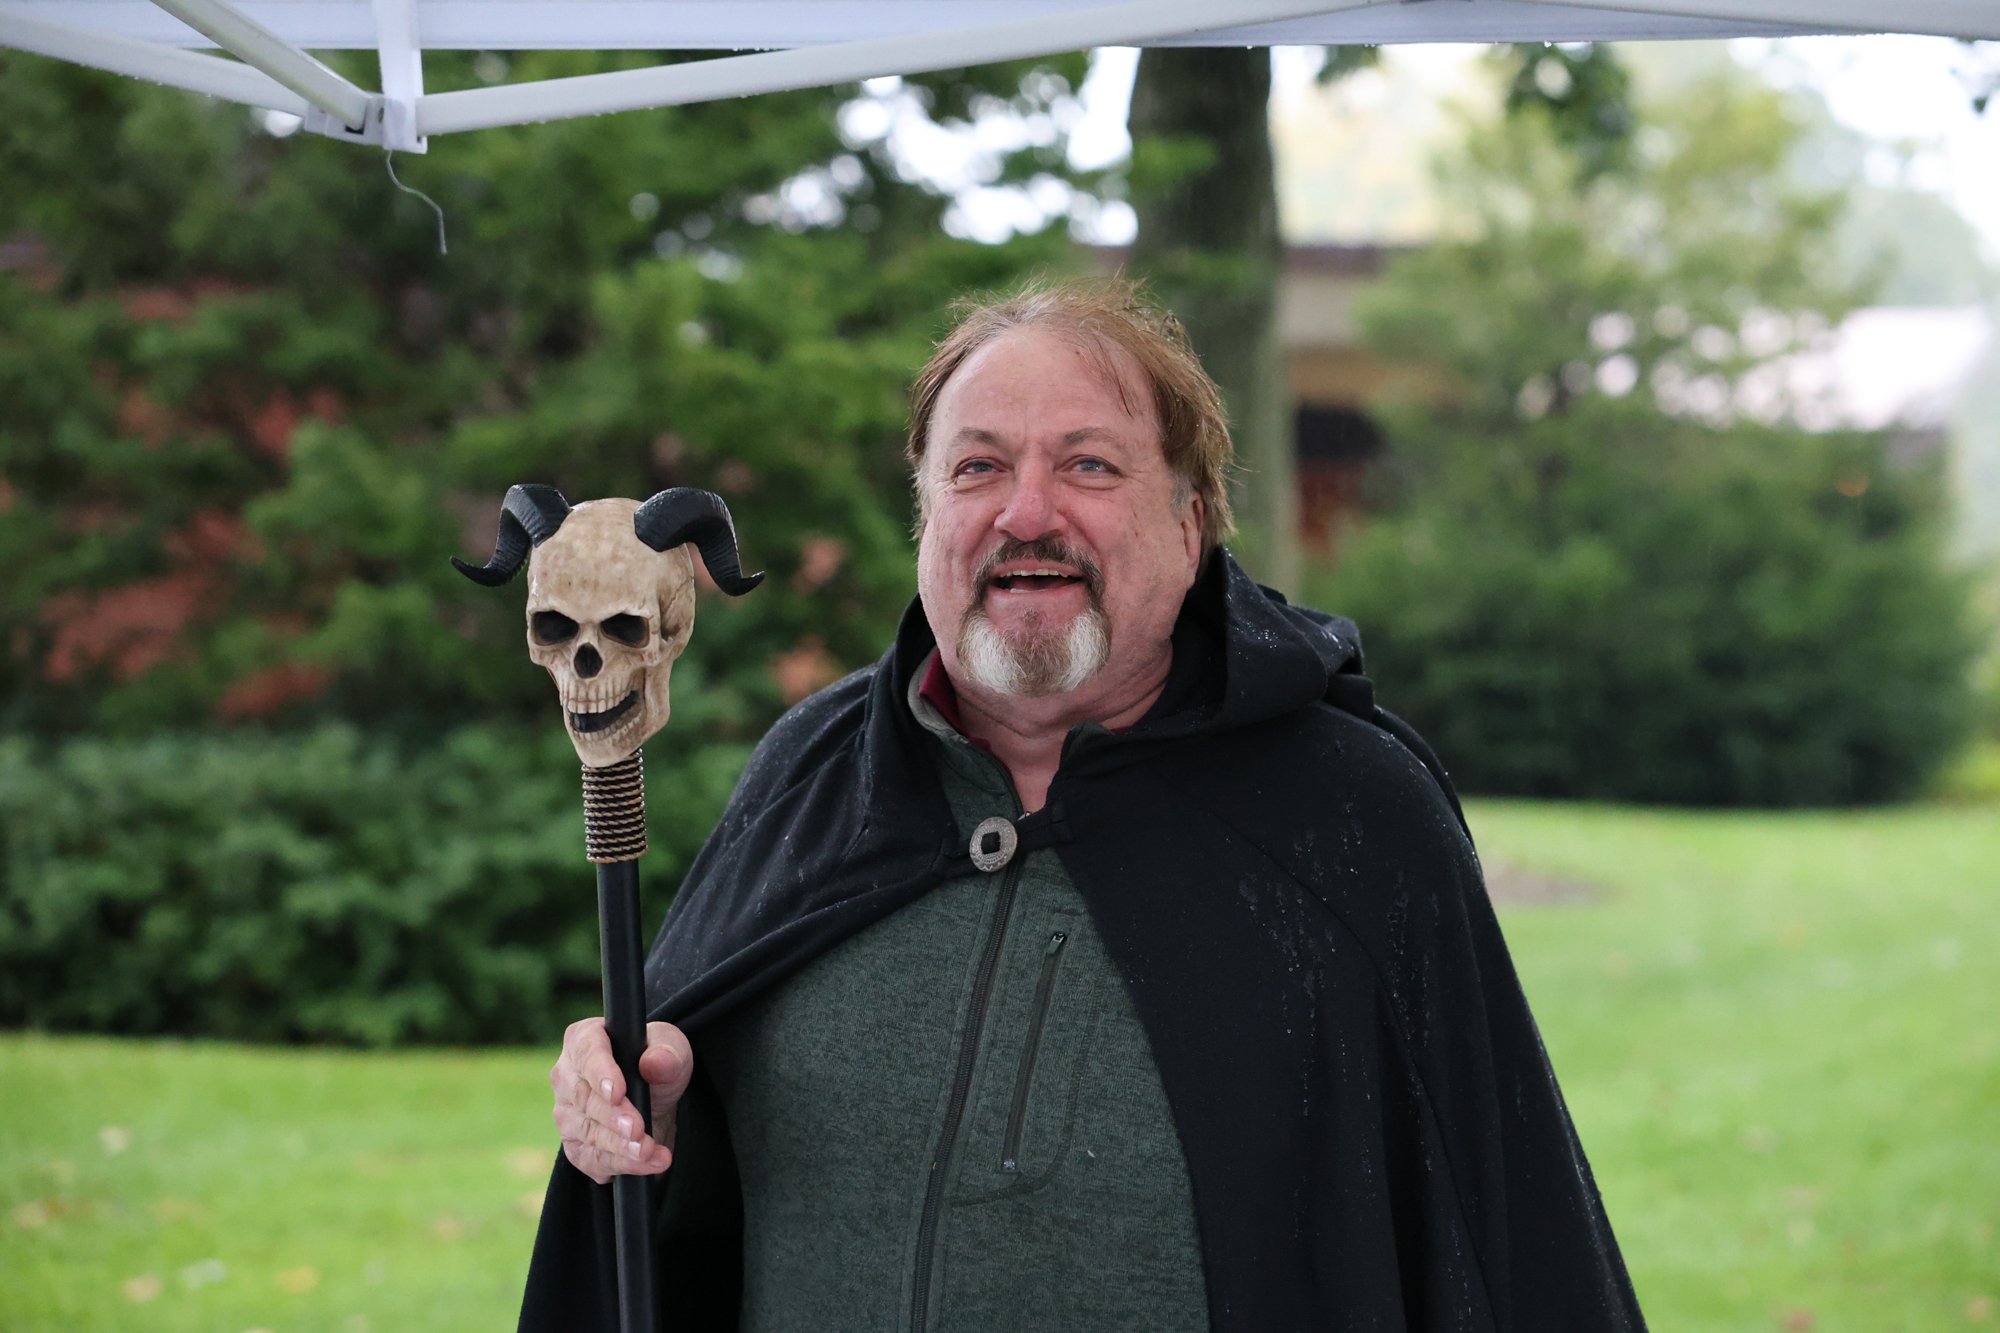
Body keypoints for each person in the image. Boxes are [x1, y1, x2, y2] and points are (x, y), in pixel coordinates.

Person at [520, 279, 1645, 1331]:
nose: (1025, 512)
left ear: (1191, 523)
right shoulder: (815, 772)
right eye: (976, 467)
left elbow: (1494, 1234)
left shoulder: (1352, 816)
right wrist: (647, 1110)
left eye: (1089, 465)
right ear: (925, 517)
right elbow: (683, 1219)